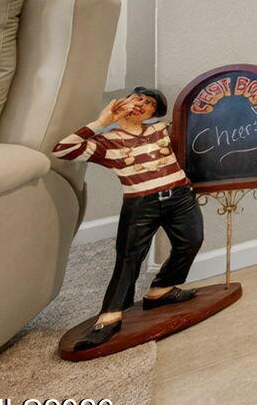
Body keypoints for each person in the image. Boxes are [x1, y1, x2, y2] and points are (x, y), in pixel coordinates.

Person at [52, 87, 202, 350]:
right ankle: (110, 316)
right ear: (122, 102)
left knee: (191, 241)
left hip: (180, 195)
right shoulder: (108, 142)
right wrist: (102, 122)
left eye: (149, 103)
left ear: (153, 113)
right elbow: (62, 150)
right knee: (129, 257)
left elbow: (196, 127)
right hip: (141, 203)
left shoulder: (160, 130)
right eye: (137, 98)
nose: (141, 104)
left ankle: (161, 290)